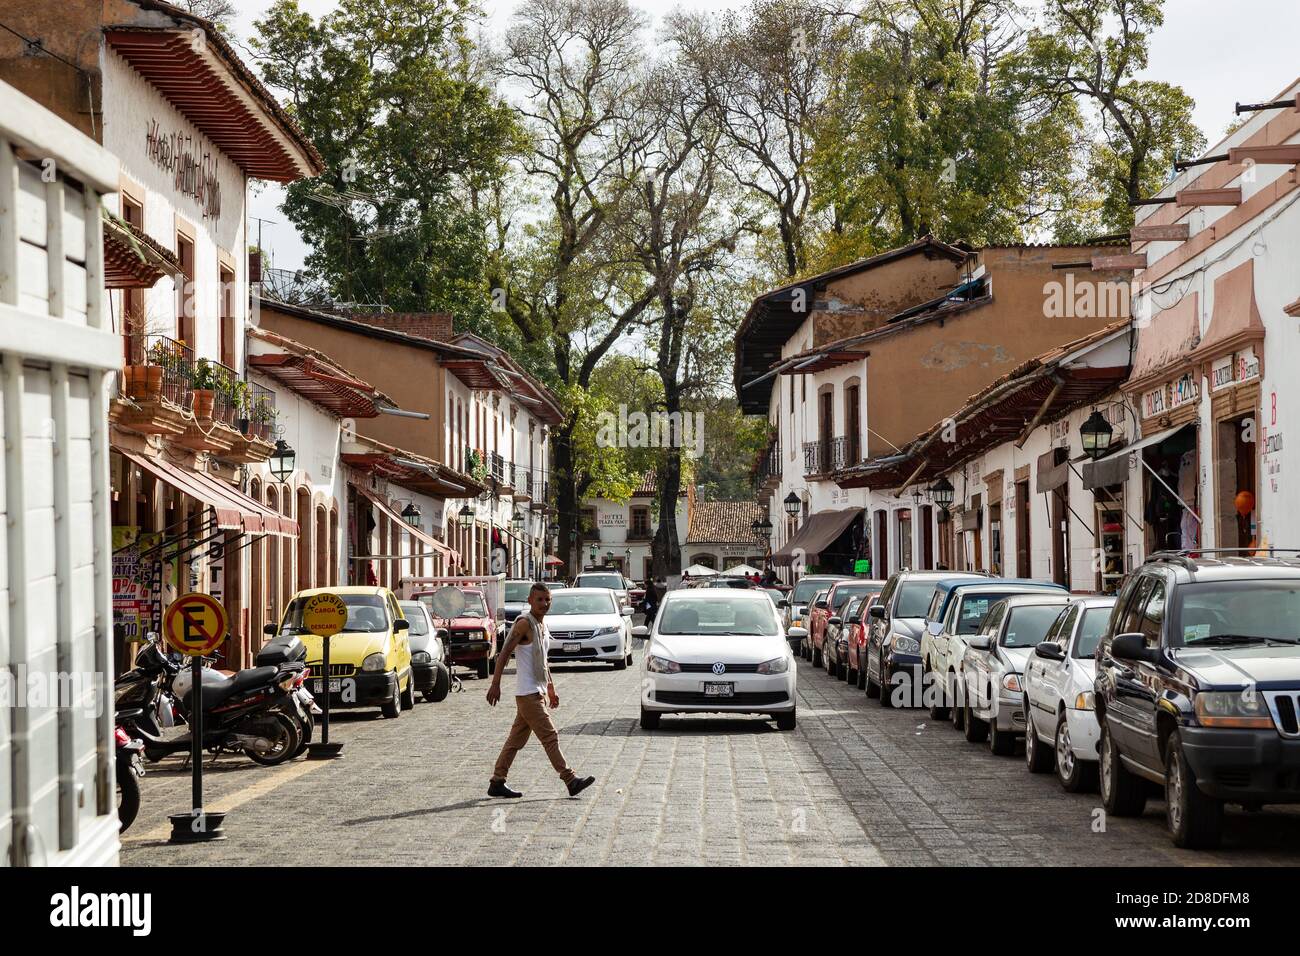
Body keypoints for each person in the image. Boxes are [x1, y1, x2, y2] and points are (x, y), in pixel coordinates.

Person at [486, 583, 595, 799]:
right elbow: (505, 652)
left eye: (547, 600)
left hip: (537, 691)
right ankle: (570, 779)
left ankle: (497, 781)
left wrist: (551, 688)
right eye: (539, 600)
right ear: (529, 601)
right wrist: (495, 683)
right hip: (527, 694)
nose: (544, 604)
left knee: (515, 741)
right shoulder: (525, 624)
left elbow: (543, 661)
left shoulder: (542, 625)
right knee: (550, 736)